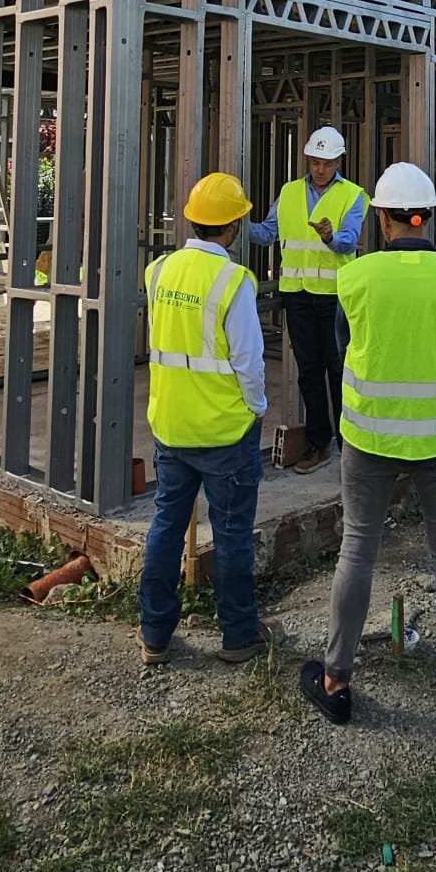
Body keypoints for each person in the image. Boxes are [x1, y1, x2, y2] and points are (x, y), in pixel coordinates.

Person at [299, 162, 436, 729]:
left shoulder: (356, 277)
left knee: (357, 551)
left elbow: (347, 346)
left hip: (368, 436)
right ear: (431, 217)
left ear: (382, 219)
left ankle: (335, 679)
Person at [137, 171, 272, 667]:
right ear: (233, 226)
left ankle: (154, 634)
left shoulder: (159, 272)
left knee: (166, 525)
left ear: (193, 220)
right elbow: (249, 361)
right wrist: (256, 408)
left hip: (170, 425)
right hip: (223, 431)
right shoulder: (233, 281)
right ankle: (238, 635)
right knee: (232, 533)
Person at [248, 127, 369, 473]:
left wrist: (331, 236)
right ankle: (319, 443)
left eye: (327, 163)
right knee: (309, 372)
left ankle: (351, 446)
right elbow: (268, 232)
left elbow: (349, 242)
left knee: (338, 370)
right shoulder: (288, 193)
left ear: (338, 161)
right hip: (297, 295)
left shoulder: (354, 195)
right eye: (315, 162)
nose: (320, 169)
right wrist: (239, 224)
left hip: (333, 297)